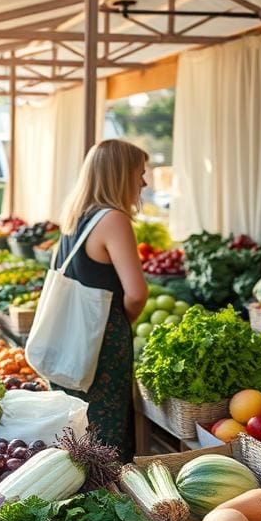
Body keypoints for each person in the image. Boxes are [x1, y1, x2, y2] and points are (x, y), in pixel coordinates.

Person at [50, 139, 149, 462]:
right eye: (140, 173)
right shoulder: (113, 220)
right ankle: (111, 500)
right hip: (101, 344)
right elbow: (135, 293)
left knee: (75, 433)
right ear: (121, 175)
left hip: (69, 339)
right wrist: (124, 320)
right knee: (106, 435)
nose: (143, 182)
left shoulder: (74, 216)